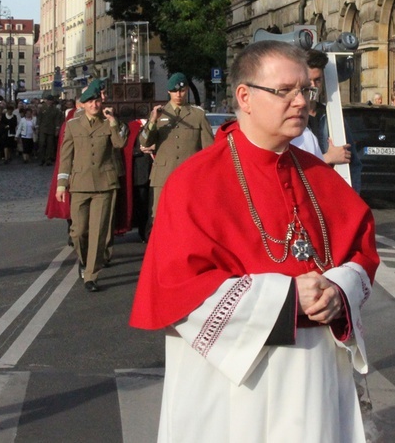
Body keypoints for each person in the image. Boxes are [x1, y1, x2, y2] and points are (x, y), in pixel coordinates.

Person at [129, 40, 379, 442]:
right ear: (244, 96)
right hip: (234, 388)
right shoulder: (195, 182)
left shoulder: (318, 175)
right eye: (285, 91)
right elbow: (178, 290)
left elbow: (361, 251)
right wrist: (286, 298)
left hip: (315, 377)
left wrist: (339, 290)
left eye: (306, 91)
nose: (301, 102)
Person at [56, 80, 128, 292]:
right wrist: (62, 184)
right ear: (83, 104)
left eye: (97, 101)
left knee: (98, 231)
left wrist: (114, 123)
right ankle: (84, 258)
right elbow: (66, 157)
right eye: (90, 102)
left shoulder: (108, 122)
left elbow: (119, 144)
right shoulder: (72, 125)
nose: (95, 105)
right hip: (79, 184)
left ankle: (91, 275)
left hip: (104, 184)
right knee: (78, 232)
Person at [139, 72, 215, 219]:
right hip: (163, 175)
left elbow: (208, 148)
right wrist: (153, 121)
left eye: (181, 91)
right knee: (162, 217)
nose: (178, 94)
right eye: (174, 91)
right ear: (169, 92)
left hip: (189, 175)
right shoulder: (159, 113)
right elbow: (145, 141)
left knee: (188, 217)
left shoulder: (197, 115)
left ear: (186, 90)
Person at [302, 49, 362, 193]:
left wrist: (353, 200)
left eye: (317, 80)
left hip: (330, 193)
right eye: (309, 81)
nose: (313, 86)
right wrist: (327, 157)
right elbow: (288, 165)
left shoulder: (332, 115)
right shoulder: (290, 117)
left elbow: (353, 164)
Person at [38, 95, 63, 166]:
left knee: (50, 145)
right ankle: (42, 159)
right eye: (48, 100)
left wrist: (57, 129)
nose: (49, 102)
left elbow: (57, 120)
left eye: (51, 100)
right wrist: (37, 127)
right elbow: (39, 118)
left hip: (51, 129)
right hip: (43, 128)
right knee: (42, 143)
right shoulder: (42, 108)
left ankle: (48, 159)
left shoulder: (56, 110)